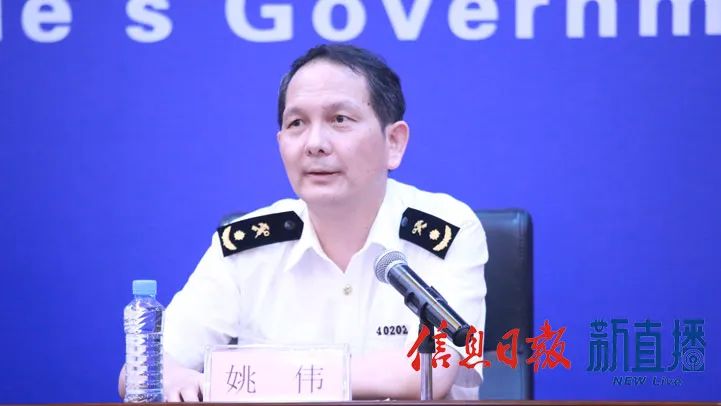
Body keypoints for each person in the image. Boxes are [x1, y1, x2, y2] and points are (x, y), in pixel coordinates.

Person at [118, 44, 488, 401]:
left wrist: (251, 378)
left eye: (339, 120)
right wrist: (169, 376)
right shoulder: (245, 247)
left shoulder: (448, 230)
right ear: (281, 142)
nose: (314, 143)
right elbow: (140, 371)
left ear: (394, 142)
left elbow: (434, 370)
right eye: (297, 123)